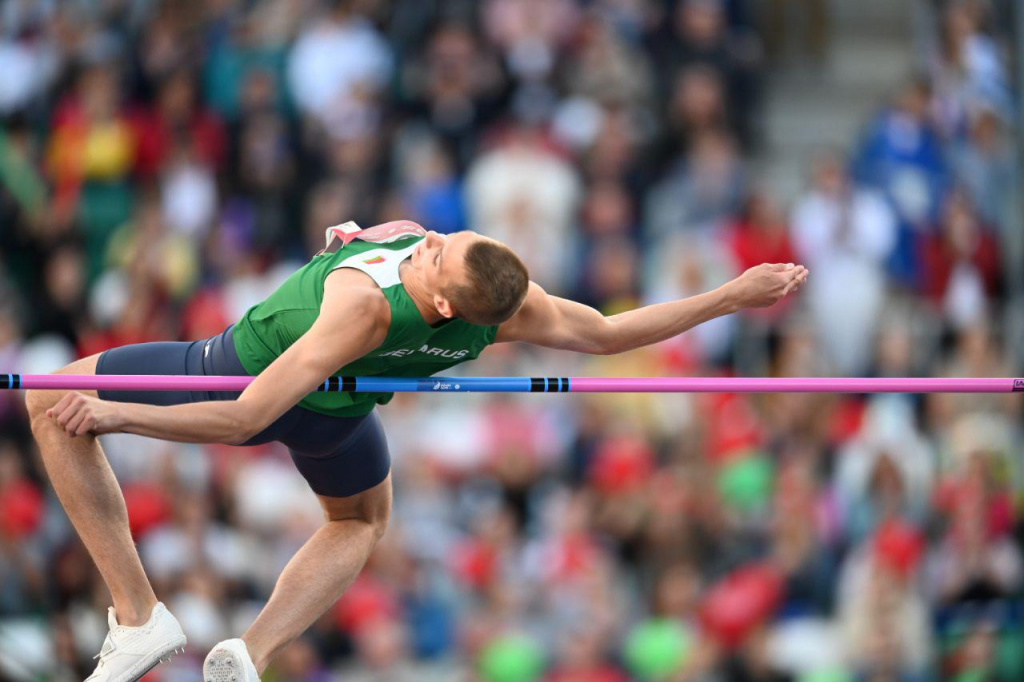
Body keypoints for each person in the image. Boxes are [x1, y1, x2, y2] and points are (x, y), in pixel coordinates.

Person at [25, 219, 808, 681]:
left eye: (437, 253)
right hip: (338, 412)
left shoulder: (364, 308)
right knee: (362, 521)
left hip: (240, 377)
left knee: (45, 400)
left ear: (436, 297)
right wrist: (732, 296)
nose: (433, 240)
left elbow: (241, 417)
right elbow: (607, 333)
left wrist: (114, 413)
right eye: (448, 237)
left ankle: (139, 616)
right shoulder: (501, 306)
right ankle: (251, 652)